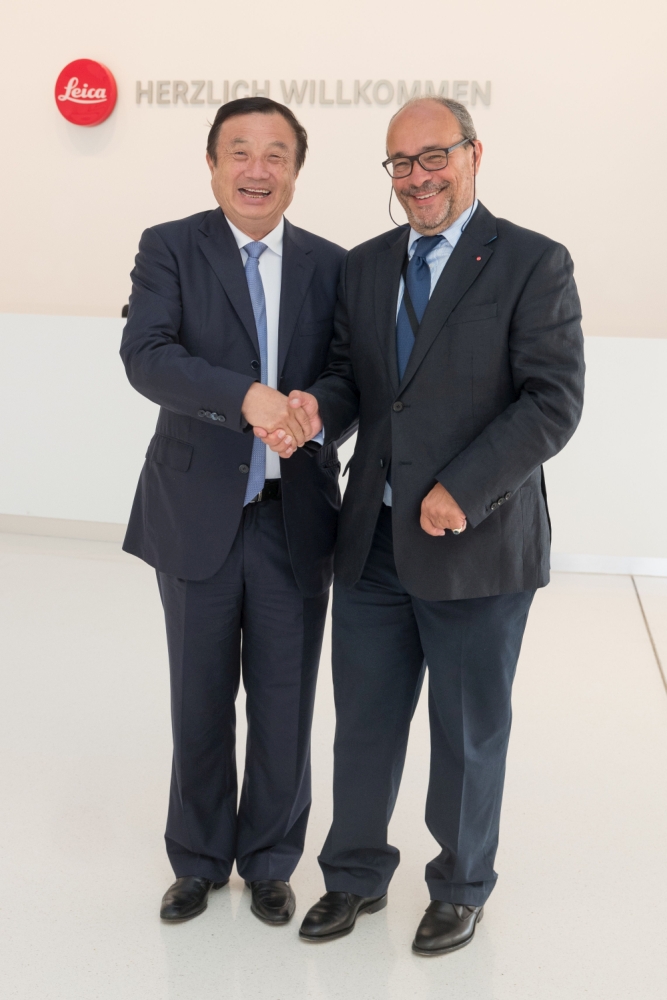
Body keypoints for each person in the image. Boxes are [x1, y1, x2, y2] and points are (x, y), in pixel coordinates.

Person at [260, 96, 585, 954]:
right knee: (364, 722)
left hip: (477, 545)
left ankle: (461, 885)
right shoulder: (367, 265)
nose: (417, 178)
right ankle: (353, 876)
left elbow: (551, 401)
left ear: (474, 153)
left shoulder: (532, 261)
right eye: (400, 163)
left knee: (466, 731)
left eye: (433, 156)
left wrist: (462, 488)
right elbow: (352, 380)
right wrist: (315, 412)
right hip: (370, 541)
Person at [120, 97, 347, 925]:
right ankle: (198, 859)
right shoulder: (169, 247)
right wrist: (246, 397)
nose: (258, 169)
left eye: (276, 154)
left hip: (295, 516)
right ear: (213, 164)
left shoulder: (331, 264)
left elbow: (349, 373)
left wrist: (316, 409)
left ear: (296, 170)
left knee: (285, 701)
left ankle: (271, 861)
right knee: (199, 695)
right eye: (240, 152)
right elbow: (147, 356)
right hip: (194, 511)